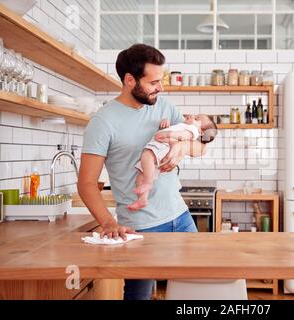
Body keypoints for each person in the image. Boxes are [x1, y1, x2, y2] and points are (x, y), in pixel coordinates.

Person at [77, 44, 207, 300]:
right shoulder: (103, 122)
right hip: (139, 228)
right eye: (154, 81)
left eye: (161, 80)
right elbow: (86, 183)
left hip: (180, 216)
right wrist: (108, 223)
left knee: (198, 288)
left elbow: (200, 146)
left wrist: (182, 148)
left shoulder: (164, 106)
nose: (161, 87)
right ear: (129, 80)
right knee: (139, 296)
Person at [128, 114, 217, 212]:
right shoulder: (183, 125)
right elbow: (175, 130)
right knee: (142, 173)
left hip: (161, 148)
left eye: (196, 119)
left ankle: (148, 183)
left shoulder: (192, 130)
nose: (191, 115)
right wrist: (166, 125)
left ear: (201, 132)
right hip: (159, 148)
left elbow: (182, 136)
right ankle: (142, 199)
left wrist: (168, 135)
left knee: (146, 157)